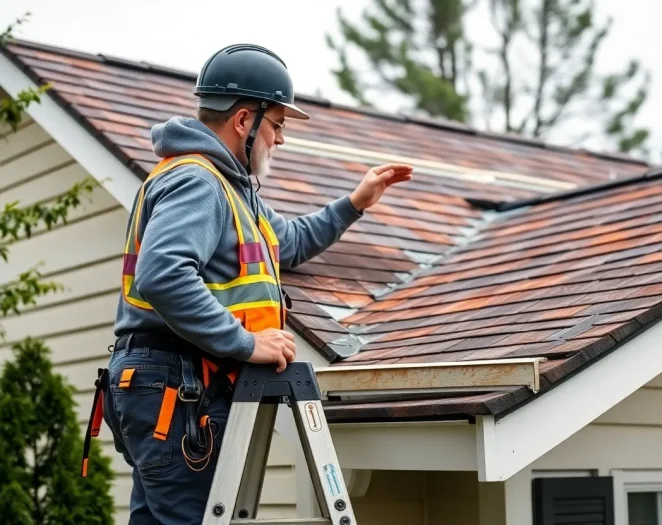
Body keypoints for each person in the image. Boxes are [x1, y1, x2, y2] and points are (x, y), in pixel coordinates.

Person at [80, 43, 413, 524]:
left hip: (169, 382)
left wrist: (355, 202)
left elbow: (288, 243)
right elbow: (163, 273)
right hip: (179, 384)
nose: (280, 139)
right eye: (276, 125)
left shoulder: (230, 190)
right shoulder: (199, 181)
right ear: (243, 121)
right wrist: (244, 342)